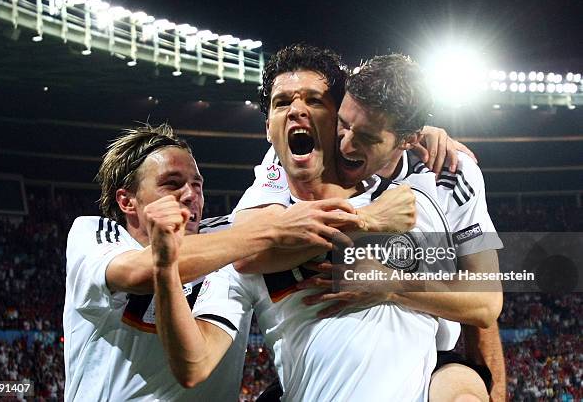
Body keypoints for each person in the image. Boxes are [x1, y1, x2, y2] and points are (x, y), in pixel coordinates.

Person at [150, 44, 463, 401]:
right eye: (282, 103)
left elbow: (476, 311)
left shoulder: (411, 198)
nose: (297, 109)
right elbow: (193, 365)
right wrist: (164, 269)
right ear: (268, 128)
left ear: (340, 120)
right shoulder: (249, 234)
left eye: (315, 101)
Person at [240, 54, 504, 401]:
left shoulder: (450, 176)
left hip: (430, 353)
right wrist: (364, 223)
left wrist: (391, 285)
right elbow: (248, 249)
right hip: (313, 364)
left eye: (366, 137)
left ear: (408, 139)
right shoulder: (294, 156)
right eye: (343, 124)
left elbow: (485, 302)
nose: (346, 144)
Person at [63, 123, 368, 401]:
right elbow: (141, 271)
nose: (190, 195)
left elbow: (308, 231)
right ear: (127, 201)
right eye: (172, 183)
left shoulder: (228, 239)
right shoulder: (95, 235)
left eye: (197, 184)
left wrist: (373, 221)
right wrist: (271, 230)